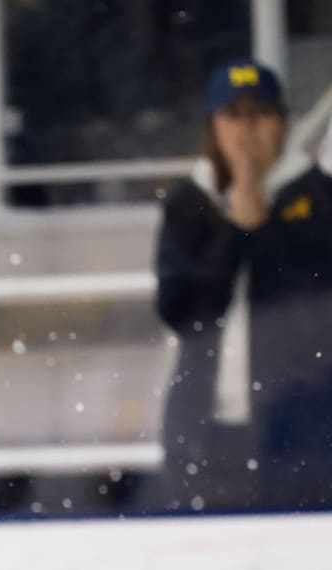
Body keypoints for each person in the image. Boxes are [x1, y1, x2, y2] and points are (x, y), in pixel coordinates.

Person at [155, 59, 332, 512]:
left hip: (303, 423)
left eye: (259, 113)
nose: (246, 129)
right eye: (232, 115)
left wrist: (262, 227)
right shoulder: (189, 203)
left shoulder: (318, 196)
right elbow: (181, 309)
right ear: (213, 126)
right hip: (203, 422)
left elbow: (310, 301)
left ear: (282, 123)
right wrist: (235, 230)